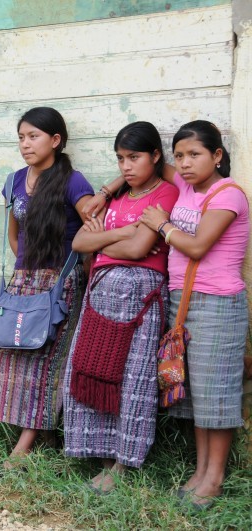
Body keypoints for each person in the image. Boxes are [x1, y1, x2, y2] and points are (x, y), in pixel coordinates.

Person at [62, 122, 178, 493]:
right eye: (120, 159)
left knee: (131, 381)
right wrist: (120, 233)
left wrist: (104, 243)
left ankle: (122, 463)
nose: (126, 166)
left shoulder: (167, 194)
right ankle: (96, 451)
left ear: (156, 156)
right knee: (90, 369)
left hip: (139, 303)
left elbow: (138, 250)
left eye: (134, 157)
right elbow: (80, 241)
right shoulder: (115, 199)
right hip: (99, 298)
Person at [139, 120, 248, 510]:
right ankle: (200, 472)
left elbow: (198, 246)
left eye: (195, 155)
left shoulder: (228, 195)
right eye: (180, 155)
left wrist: (162, 224)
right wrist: (106, 190)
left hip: (218, 305)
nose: (184, 163)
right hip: (183, 303)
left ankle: (214, 479)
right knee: (199, 394)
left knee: (217, 393)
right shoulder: (187, 186)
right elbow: (148, 165)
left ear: (217, 156)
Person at [0, 107, 94, 469]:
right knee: (2, 353)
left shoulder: (74, 182)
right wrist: (26, 269)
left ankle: (25, 445)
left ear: (55, 140)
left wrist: (60, 275)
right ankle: (41, 431)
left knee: (44, 361)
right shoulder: (14, 180)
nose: (25, 144)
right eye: (21, 137)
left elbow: (94, 230)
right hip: (24, 280)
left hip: (60, 284)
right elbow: (15, 234)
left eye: (33, 136)